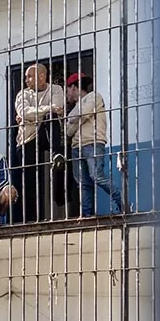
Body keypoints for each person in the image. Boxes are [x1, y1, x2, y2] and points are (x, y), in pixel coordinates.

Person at [12, 64, 68, 222]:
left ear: (42, 76)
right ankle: (29, 219)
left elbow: (58, 107)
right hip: (27, 138)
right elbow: (23, 111)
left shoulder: (56, 89)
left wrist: (35, 114)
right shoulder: (22, 94)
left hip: (47, 133)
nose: (25, 80)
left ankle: (56, 153)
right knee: (28, 180)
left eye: (29, 76)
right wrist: (47, 108)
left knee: (51, 117)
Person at [64, 72, 124, 216]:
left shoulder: (94, 97)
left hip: (93, 143)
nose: (66, 94)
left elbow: (82, 115)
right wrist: (77, 117)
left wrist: (73, 118)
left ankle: (122, 201)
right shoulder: (75, 108)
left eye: (67, 90)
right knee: (83, 183)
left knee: (96, 176)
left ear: (73, 87)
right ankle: (86, 214)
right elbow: (68, 131)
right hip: (76, 147)